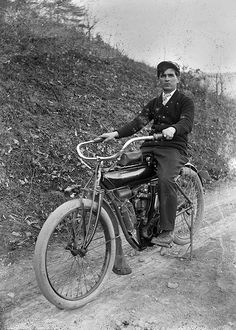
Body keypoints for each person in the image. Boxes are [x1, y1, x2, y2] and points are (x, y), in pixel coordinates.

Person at [101, 61, 194, 272]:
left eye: (171, 75)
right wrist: (115, 134)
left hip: (173, 147)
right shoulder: (155, 103)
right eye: (163, 76)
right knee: (123, 171)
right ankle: (140, 216)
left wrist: (173, 128)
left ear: (178, 78)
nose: (167, 79)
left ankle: (167, 230)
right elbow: (137, 123)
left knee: (165, 179)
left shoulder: (184, 101)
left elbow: (186, 123)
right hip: (151, 145)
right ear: (159, 79)